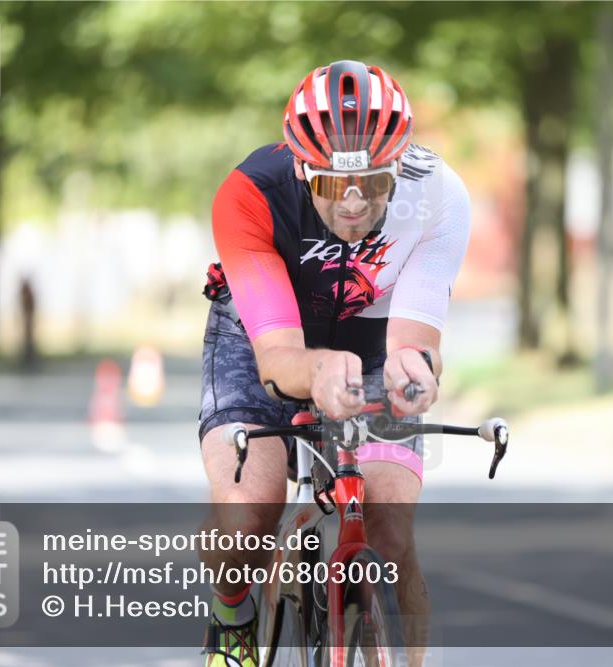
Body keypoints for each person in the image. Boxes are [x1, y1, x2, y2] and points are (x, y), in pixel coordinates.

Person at [199, 60, 471, 667]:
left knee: (391, 533)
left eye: (373, 183)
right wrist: (318, 372)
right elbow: (278, 358)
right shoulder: (249, 194)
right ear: (301, 168)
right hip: (261, 331)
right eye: (330, 184)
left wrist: (416, 371)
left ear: (399, 166)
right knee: (249, 517)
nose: (352, 203)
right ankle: (232, 614)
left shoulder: (439, 195)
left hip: (372, 334)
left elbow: (415, 337)